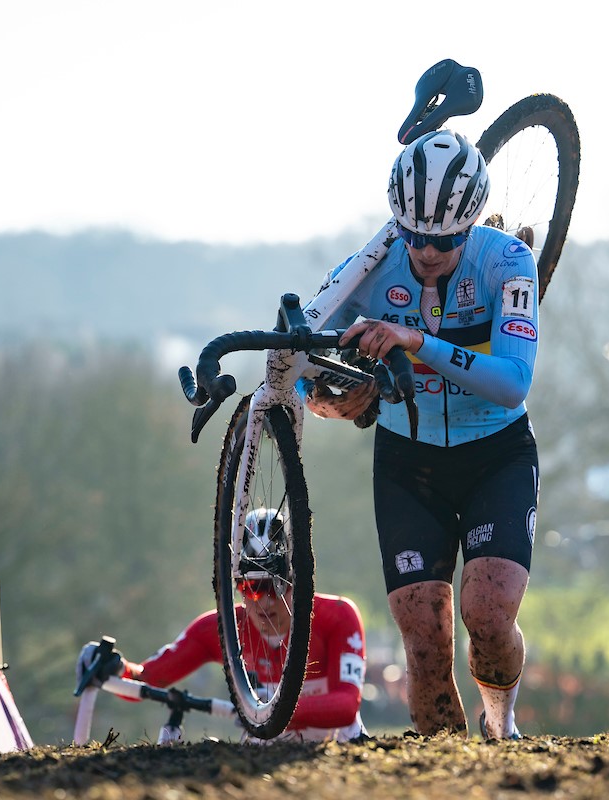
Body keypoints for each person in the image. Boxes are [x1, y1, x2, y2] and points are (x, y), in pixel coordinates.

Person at [303, 129, 540, 739]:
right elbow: (302, 361)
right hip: (408, 461)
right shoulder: (369, 266)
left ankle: (500, 724)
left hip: (495, 453)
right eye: (413, 236)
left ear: (472, 225)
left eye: (444, 239)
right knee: (424, 640)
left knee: (486, 615)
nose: (428, 251)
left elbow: (513, 382)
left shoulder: (508, 260)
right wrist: (329, 399)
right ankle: (444, 774)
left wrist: (417, 343)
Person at [77, 509, 368, 743]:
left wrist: (264, 711)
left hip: (338, 746)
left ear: (301, 582)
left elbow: (345, 706)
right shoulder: (219, 628)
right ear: (238, 587)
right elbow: (146, 681)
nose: (265, 604)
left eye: (278, 587)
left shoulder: (338, 616)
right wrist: (114, 670)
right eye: (253, 588)